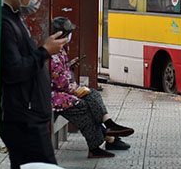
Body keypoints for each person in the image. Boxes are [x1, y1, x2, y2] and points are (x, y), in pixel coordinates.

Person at [0, 0, 67, 169]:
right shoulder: (4, 23)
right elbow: (13, 70)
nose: (37, 3)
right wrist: (45, 51)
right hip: (23, 119)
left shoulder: (16, 18)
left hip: (31, 115)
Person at [49, 17, 134, 159]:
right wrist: (73, 88)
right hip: (55, 95)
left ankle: (109, 124)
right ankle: (98, 144)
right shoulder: (53, 53)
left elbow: (61, 73)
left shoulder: (61, 50)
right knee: (83, 107)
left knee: (93, 95)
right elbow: (58, 80)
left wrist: (70, 67)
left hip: (63, 91)